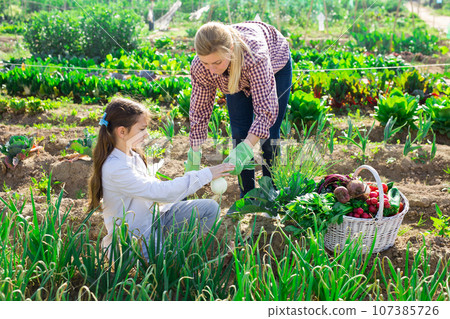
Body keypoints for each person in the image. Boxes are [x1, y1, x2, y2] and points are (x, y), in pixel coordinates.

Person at [88, 98, 234, 260]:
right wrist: (206, 174)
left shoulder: (134, 155)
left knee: (210, 209)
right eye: (142, 129)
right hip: (135, 237)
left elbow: (155, 191)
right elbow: (157, 191)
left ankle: (173, 251)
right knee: (166, 266)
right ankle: (164, 258)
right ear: (122, 132)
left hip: (154, 219)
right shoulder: (115, 168)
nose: (147, 134)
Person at [185, 21, 292, 200]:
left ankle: (271, 193)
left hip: (275, 65)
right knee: (239, 132)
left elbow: (265, 111)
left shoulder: (255, 55)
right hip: (234, 77)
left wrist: (246, 150)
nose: (212, 70)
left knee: (269, 135)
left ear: (230, 49)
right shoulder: (201, 67)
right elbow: (199, 109)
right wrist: (194, 152)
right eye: (206, 63)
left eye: (216, 62)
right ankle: (247, 195)